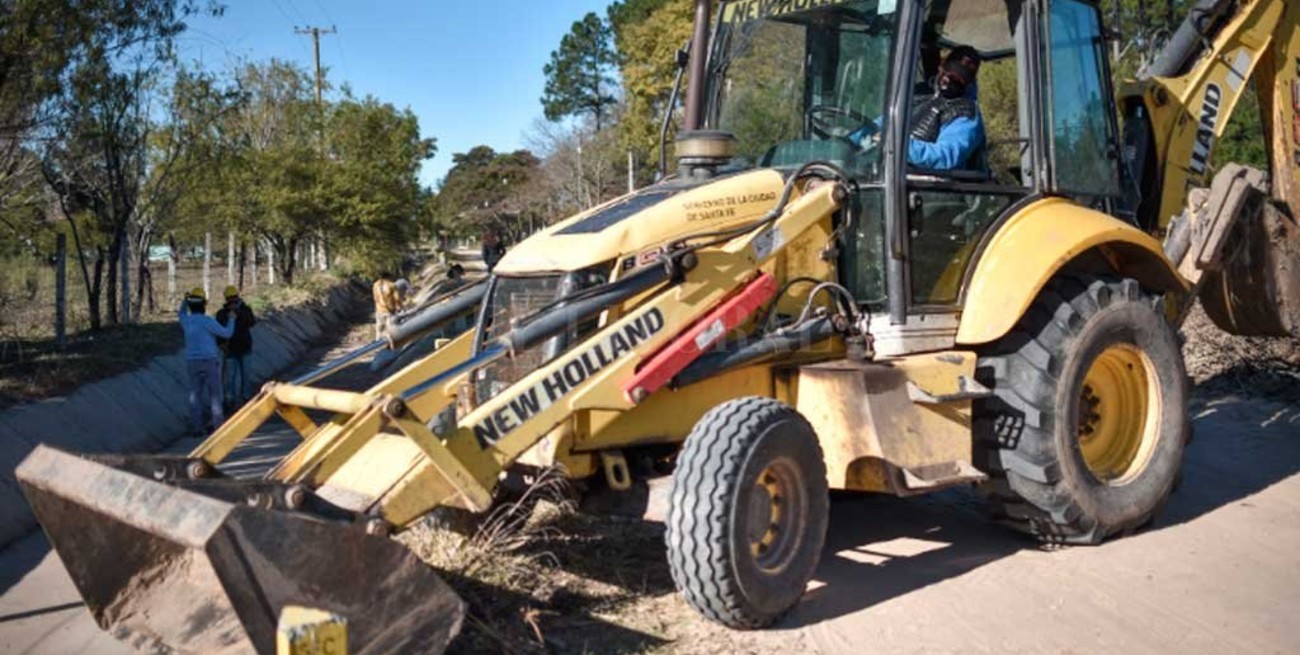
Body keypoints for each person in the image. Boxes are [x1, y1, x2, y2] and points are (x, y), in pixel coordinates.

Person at [852, 45, 985, 172]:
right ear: (941, 67)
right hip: (886, 171)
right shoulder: (915, 95)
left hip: (928, 187)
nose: (950, 81)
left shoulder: (965, 113)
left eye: (959, 78)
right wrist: (847, 139)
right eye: (950, 72)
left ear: (969, 82)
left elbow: (944, 157)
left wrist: (895, 144)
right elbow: (879, 125)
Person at [179, 288, 234, 435]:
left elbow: (181, 312)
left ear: (191, 305)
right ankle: (218, 427)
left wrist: (185, 301)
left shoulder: (186, 321)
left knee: (195, 395)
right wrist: (232, 319)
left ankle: (196, 428)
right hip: (210, 361)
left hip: (192, 362)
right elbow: (227, 333)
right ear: (204, 304)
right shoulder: (208, 322)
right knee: (215, 395)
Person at [216, 285, 257, 411]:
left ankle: (246, 398)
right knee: (229, 378)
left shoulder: (245, 310)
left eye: (234, 299)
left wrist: (240, 312)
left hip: (245, 348)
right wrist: (221, 344)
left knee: (247, 375)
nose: (232, 302)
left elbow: (252, 322)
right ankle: (229, 400)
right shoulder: (222, 314)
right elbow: (219, 330)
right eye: (230, 299)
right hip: (230, 350)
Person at [372, 272, 401, 339]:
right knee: (391, 329)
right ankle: (393, 344)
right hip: (390, 311)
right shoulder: (391, 285)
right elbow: (397, 298)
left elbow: (375, 298)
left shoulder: (375, 285)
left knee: (379, 329)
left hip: (379, 310)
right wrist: (399, 307)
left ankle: (378, 343)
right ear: (388, 277)